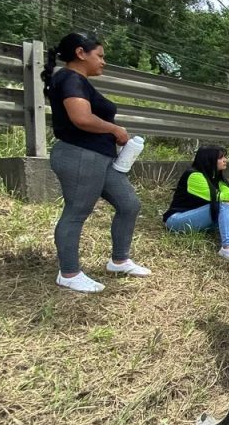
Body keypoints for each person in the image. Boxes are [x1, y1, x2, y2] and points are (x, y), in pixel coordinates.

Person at [44, 32, 150, 293]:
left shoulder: (79, 81)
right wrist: (115, 130)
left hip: (100, 158)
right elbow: (81, 118)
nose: (103, 62)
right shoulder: (70, 78)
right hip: (80, 154)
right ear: (81, 53)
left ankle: (119, 260)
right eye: (100, 56)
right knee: (77, 212)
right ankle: (69, 272)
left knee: (129, 204)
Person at [163, 146, 229, 264]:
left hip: (199, 221)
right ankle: (227, 247)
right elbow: (219, 197)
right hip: (176, 220)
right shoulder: (194, 176)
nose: (225, 160)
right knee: (225, 204)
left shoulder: (216, 178)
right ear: (209, 159)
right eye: (221, 158)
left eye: (225, 157)